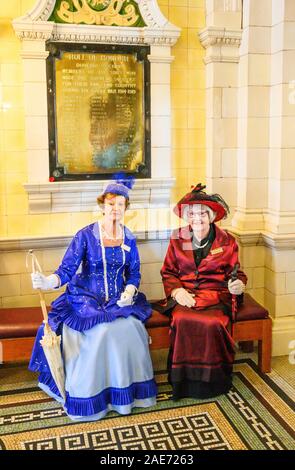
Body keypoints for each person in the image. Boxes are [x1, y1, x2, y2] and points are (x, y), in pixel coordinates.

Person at [29, 173, 157, 421]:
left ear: (125, 208)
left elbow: (134, 272)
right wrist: (47, 282)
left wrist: (130, 292)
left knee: (132, 327)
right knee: (102, 332)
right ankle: (92, 397)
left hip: (117, 301)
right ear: (102, 206)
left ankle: (125, 394)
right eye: (111, 204)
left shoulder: (128, 236)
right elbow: (66, 270)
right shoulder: (85, 235)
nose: (116, 209)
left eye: (120, 205)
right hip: (86, 299)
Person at [159, 183, 247, 400]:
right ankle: (184, 383)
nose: (197, 218)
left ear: (211, 216)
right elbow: (168, 272)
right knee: (180, 319)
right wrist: (177, 291)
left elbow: (237, 273)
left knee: (214, 323)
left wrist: (238, 285)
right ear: (187, 217)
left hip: (216, 296)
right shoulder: (178, 238)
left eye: (202, 214)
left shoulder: (227, 242)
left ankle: (213, 382)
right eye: (192, 214)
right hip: (186, 296)